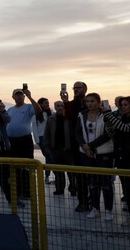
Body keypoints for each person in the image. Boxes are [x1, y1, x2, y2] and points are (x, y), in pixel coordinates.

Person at [76, 92, 115, 221]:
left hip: (103, 153)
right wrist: (84, 146)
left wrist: (90, 145)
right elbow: (77, 132)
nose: (90, 104)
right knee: (92, 183)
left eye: (92, 101)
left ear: (98, 102)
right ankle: (95, 208)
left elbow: (107, 134)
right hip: (86, 153)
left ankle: (108, 210)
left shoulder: (106, 115)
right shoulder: (82, 115)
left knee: (106, 183)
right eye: (87, 101)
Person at [61, 81, 90, 212]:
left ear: (85, 89)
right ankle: (83, 202)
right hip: (76, 144)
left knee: (93, 175)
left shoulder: (90, 102)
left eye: (79, 87)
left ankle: (94, 202)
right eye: (75, 88)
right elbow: (68, 116)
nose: (76, 90)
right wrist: (65, 101)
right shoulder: (71, 104)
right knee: (80, 174)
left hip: (91, 143)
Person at [104, 96, 130, 226]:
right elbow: (111, 133)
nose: (123, 107)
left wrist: (109, 115)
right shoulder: (121, 118)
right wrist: (107, 120)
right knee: (126, 187)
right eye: (122, 105)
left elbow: (125, 128)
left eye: (126, 104)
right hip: (121, 156)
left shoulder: (125, 121)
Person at [6, 88, 37, 199]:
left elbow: (38, 111)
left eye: (21, 95)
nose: (19, 97)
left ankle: (27, 191)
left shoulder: (28, 107)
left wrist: (30, 96)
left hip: (25, 140)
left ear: (23, 97)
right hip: (12, 141)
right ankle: (18, 190)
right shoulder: (10, 110)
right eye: (17, 95)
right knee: (15, 166)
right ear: (13, 97)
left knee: (26, 166)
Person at [44, 101, 76, 196]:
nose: (60, 107)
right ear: (55, 107)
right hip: (55, 148)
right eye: (58, 106)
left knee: (71, 170)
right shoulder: (51, 119)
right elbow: (47, 133)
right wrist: (47, 146)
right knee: (58, 170)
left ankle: (73, 188)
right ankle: (59, 188)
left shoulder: (68, 118)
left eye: (62, 105)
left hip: (67, 149)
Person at [33, 97, 54, 184]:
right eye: (45, 103)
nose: (47, 104)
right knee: (48, 156)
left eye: (48, 103)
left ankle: (48, 176)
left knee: (50, 157)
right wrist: (37, 140)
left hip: (51, 138)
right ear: (40, 104)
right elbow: (34, 127)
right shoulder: (36, 115)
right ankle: (47, 176)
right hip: (42, 138)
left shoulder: (51, 113)